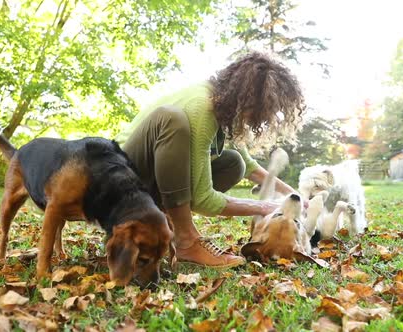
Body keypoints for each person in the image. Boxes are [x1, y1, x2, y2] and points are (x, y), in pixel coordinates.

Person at [116, 52, 305, 268]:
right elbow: (203, 200)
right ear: (248, 98)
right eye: (263, 109)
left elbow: (250, 168)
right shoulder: (203, 107)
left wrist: (294, 196)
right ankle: (186, 240)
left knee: (234, 163)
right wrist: (265, 207)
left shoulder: (224, 111)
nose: (261, 118)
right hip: (120, 180)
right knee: (172, 119)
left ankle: (162, 220)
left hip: (145, 183)